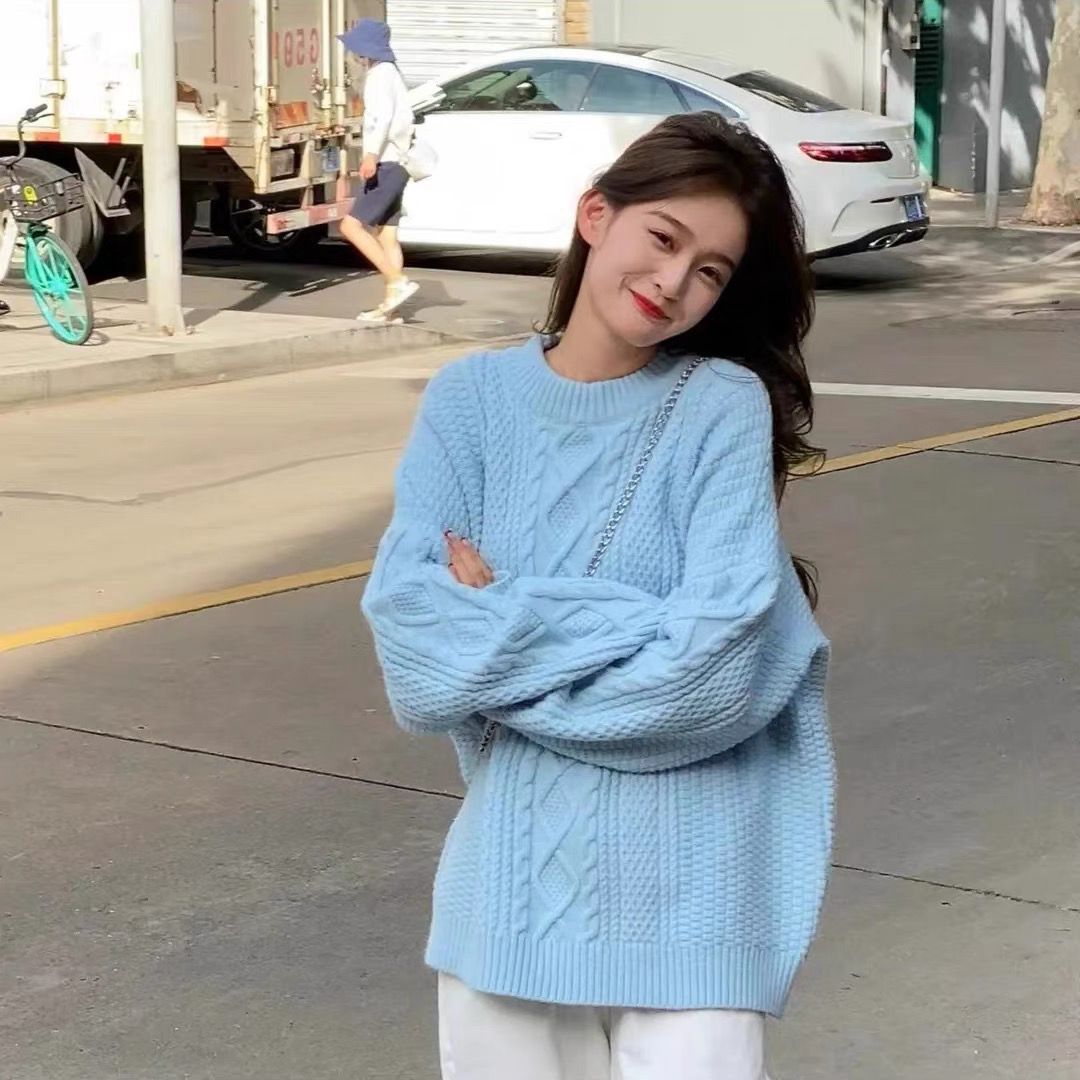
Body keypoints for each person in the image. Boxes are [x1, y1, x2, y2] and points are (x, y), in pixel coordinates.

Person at [362, 112, 833, 1080]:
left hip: (695, 909)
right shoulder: (468, 402)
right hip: (509, 900)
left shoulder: (720, 406)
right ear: (595, 216)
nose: (674, 281)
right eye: (663, 238)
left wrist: (506, 627)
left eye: (711, 270)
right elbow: (417, 660)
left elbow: (715, 673)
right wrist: (640, 623)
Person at [337, 19, 418, 323]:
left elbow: (380, 119)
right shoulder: (392, 73)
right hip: (400, 162)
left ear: (365, 49)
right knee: (387, 235)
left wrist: (370, 155)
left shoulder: (379, 75)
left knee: (350, 227)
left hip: (386, 162)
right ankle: (391, 307)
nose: (353, 54)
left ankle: (397, 282)